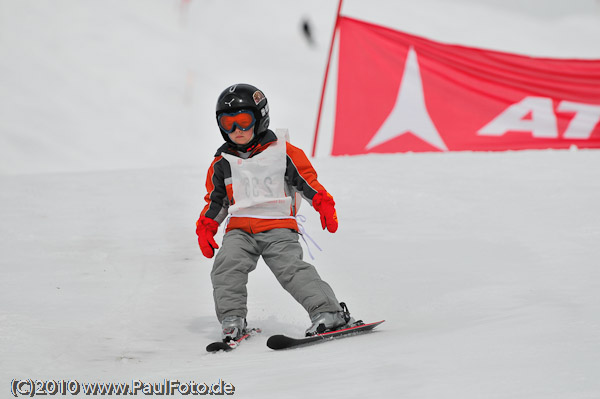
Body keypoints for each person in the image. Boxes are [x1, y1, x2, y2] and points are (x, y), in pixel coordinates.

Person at [196, 83, 354, 341]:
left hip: (277, 225)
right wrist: (207, 226)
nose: (236, 130)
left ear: (260, 118)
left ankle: (329, 312)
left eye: (244, 121)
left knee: (291, 269)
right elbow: (216, 200)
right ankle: (232, 319)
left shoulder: (282, 152)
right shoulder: (222, 162)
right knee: (225, 267)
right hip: (239, 230)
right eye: (228, 123)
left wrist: (323, 203)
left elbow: (307, 181)